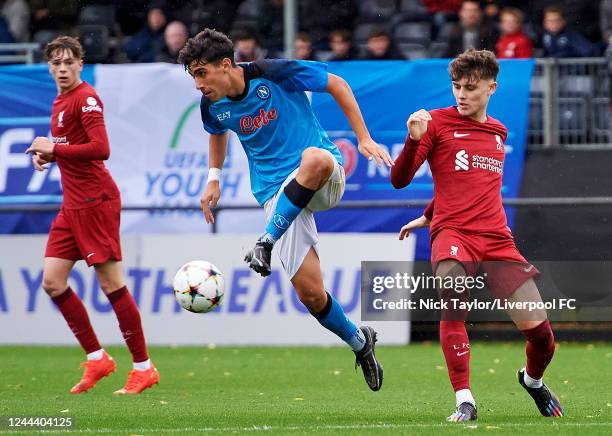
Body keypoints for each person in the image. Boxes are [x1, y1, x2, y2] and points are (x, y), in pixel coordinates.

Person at [178, 28, 392, 390]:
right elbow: (217, 129)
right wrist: (213, 177)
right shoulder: (211, 103)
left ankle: (265, 241)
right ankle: (360, 341)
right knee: (311, 295)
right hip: (278, 196)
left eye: (202, 73)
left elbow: (337, 83)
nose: (198, 83)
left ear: (226, 64)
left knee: (314, 158)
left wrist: (364, 137)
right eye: (193, 76)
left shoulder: (274, 72)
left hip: (325, 176)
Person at [391, 49, 563, 422]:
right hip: (454, 234)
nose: (461, 94)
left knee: (542, 338)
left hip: (497, 240)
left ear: (491, 88)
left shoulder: (499, 131)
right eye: (456, 86)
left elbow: (473, 186)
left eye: (470, 87)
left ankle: (532, 382)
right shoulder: (434, 123)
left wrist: (426, 214)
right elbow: (399, 179)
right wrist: (411, 139)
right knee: (452, 291)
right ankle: (464, 400)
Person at [25, 36, 159, 395]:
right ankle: (98, 358)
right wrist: (50, 154)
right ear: (49, 67)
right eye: (57, 63)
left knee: (111, 284)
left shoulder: (85, 98)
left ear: (81, 64)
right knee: (53, 282)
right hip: (72, 205)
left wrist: (53, 148)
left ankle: (144, 367)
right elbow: (72, 148)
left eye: (70, 62)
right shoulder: (59, 101)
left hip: (95, 200)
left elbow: (102, 149)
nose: (63, 68)